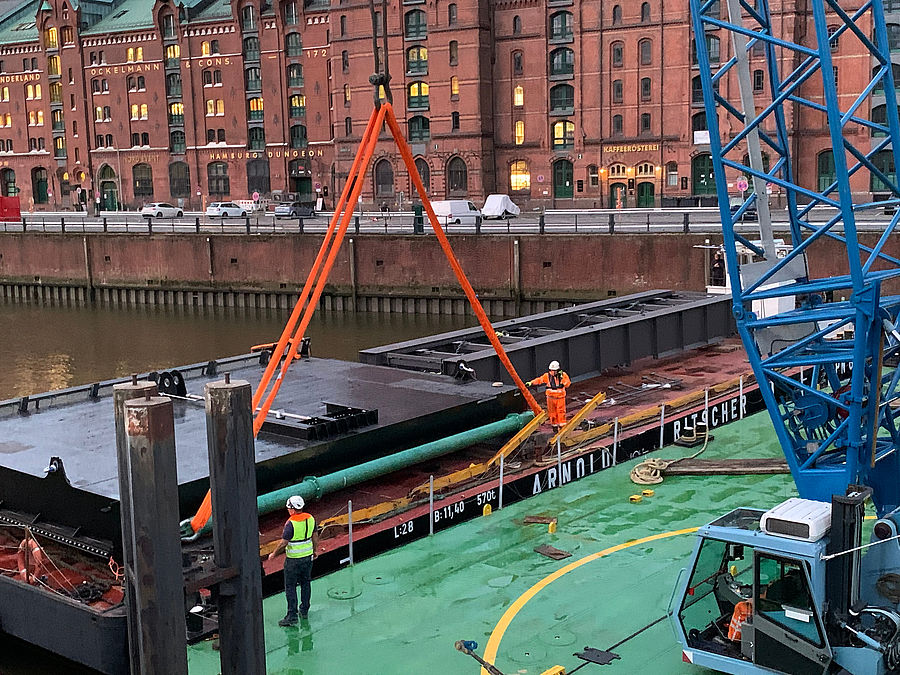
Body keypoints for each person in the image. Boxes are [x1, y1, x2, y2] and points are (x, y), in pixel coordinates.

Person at [268, 495, 319, 626]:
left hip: (293, 561)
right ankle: (305, 609)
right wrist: (315, 550)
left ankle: (292, 616)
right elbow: (315, 536)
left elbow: (284, 542)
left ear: (291, 508)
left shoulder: (291, 523)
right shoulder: (311, 519)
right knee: (306, 583)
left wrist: (274, 554)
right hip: (308, 558)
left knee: (290, 586)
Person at [526, 361, 571, 431]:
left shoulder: (563, 375)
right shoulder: (547, 376)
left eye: (554, 370)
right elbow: (540, 380)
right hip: (550, 398)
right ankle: (555, 427)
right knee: (552, 413)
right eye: (551, 370)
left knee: (561, 412)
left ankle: (562, 427)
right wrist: (531, 383)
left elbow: (567, 384)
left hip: (560, 397)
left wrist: (562, 378)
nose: (552, 372)